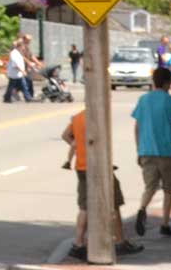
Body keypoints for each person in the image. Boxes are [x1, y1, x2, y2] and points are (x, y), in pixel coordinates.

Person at [63, 104, 143, 259]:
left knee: (85, 206)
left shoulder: (78, 117)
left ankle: (78, 244)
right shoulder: (97, 118)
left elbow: (65, 135)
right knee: (113, 202)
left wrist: (78, 146)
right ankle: (119, 241)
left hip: (81, 166)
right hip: (99, 167)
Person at [131, 65, 171, 238]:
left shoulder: (143, 100)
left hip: (146, 150)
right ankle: (165, 224)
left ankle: (142, 208)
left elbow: (137, 127)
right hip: (166, 151)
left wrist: (139, 149)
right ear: (168, 83)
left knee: (150, 187)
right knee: (168, 190)